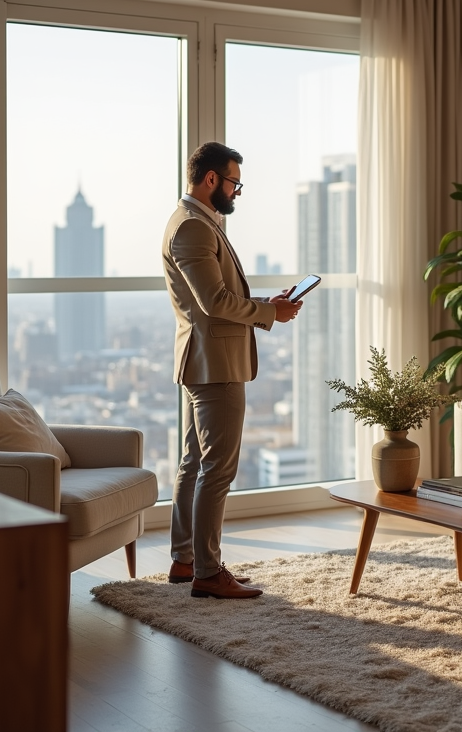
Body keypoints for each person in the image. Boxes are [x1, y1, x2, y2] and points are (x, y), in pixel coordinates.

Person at [162, 142, 301, 599]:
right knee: (216, 469)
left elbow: (217, 294)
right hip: (215, 365)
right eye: (233, 182)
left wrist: (268, 304)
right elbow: (215, 302)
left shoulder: (198, 223)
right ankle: (207, 571)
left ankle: (186, 561)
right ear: (210, 180)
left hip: (201, 360)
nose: (237, 192)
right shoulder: (193, 229)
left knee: (195, 463)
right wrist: (268, 312)